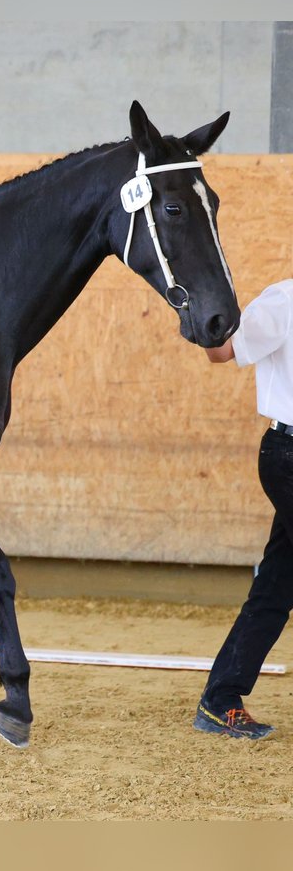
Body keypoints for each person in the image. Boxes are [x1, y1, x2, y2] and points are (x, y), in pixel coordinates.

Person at [194, 279, 293, 739]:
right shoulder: (285, 301)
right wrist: (198, 307)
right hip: (289, 455)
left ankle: (220, 699)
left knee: (276, 586)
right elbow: (221, 352)